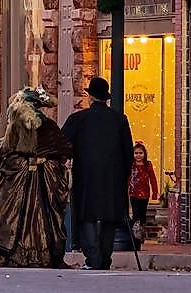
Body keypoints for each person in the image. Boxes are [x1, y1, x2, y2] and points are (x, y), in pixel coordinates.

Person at [0, 88, 70, 269]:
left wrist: (10, 165)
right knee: (42, 215)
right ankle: (42, 255)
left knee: (18, 216)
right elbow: (63, 151)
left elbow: (5, 151)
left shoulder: (23, 125)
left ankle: (15, 256)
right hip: (38, 176)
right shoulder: (45, 125)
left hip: (30, 176)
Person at [66, 77, 133, 269]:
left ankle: (93, 258)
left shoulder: (78, 119)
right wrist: (123, 174)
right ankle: (104, 259)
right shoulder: (120, 120)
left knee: (86, 216)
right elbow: (128, 152)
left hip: (85, 176)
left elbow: (62, 143)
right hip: (113, 177)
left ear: (91, 97)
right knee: (109, 217)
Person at [127, 142, 160, 241]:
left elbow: (153, 179)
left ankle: (141, 232)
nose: (138, 155)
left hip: (145, 194)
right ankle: (135, 235)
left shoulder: (147, 165)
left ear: (144, 154)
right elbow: (128, 178)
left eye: (140, 153)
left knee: (142, 215)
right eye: (136, 153)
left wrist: (155, 192)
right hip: (134, 193)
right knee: (136, 214)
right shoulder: (131, 165)